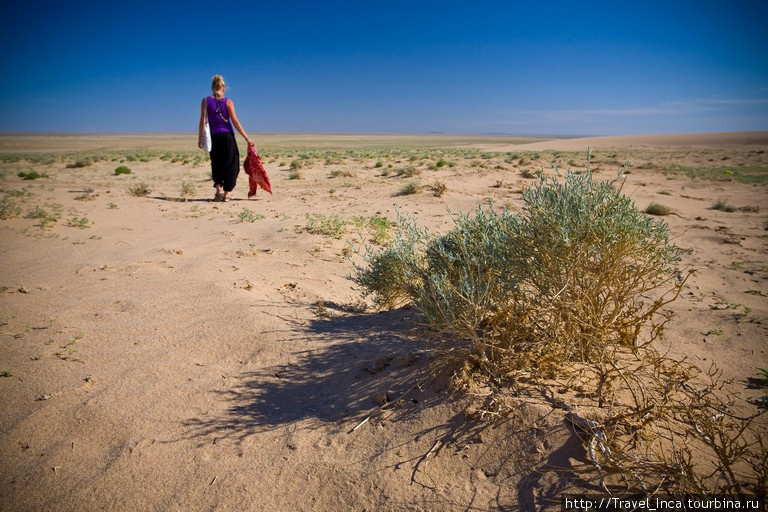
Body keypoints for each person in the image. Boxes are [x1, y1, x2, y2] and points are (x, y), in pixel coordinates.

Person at [198, 75, 253, 202]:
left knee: (216, 163)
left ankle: (218, 192)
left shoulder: (205, 101)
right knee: (231, 164)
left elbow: (202, 121)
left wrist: (200, 138)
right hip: (227, 136)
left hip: (213, 137)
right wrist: (247, 138)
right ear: (223, 88)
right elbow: (235, 122)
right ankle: (226, 194)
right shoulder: (228, 101)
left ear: (212, 88)